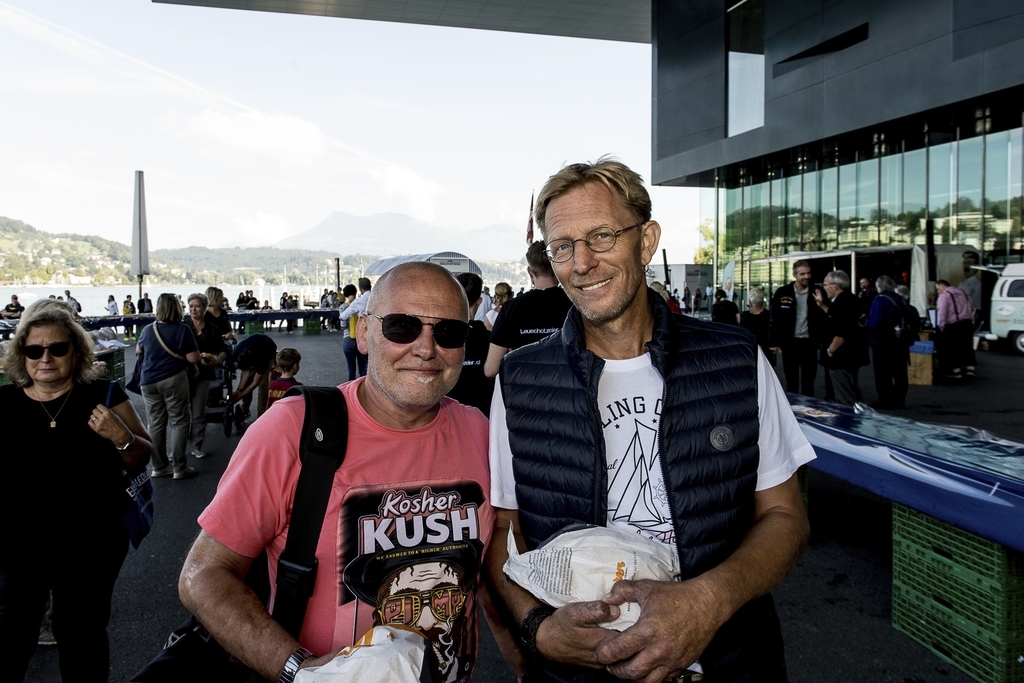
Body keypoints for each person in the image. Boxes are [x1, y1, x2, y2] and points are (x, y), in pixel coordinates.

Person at [487, 158, 813, 682]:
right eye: (562, 246)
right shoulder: (521, 378)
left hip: (731, 662)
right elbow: (502, 531)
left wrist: (708, 601)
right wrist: (538, 630)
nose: (582, 262)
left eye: (601, 236)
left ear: (646, 240)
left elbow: (786, 517)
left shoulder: (734, 359)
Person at [178, 261, 494, 682]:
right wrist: (300, 670)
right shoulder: (292, 429)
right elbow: (204, 575)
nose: (426, 348)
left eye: (449, 332)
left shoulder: (480, 432)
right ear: (364, 333)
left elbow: (492, 574)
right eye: (402, 326)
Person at [1, 299, 152, 682]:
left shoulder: (103, 394)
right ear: (22, 354)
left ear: (76, 351)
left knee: (80, 635)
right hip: (17, 543)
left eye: (58, 348)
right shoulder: (4, 405)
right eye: (34, 350)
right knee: (11, 633)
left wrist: (120, 437)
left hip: (90, 543)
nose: (45, 358)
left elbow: (141, 453)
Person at [484, 240, 573, 378]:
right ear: (557, 267)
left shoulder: (510, 308)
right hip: (569, 388)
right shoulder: (575, 304)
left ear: (530, 271)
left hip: (524, 391)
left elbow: (491, 369)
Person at [136, 293, 201, 479]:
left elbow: (138, 350)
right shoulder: (182, 330)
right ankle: (179, 467)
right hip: (173, 379)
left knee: (155, 424)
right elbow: (193, 358)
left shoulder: (149, 329)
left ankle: (158, 466)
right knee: (178, 421)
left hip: (148, 381)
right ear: (177, 308)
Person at [769, 260, 826, 397]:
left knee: (808, 382)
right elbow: (774, 318)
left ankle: (808, 411)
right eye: (802, 274)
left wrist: (822, 303)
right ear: (794, 275)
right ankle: (792, 413)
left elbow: (825, 317)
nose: (807, 276)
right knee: (791, 382)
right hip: (790, 344)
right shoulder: (783, 292)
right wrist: (774, 342)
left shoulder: (817, 292)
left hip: (809, 344)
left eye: (808, 273)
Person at [814, 270, 868, 406]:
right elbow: (838, 316)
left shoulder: (842, 302)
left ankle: (847, 423)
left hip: (842, 357)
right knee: (852, 388)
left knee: (844, 395)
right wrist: (822, 305)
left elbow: (842, 331)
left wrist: (830, 350)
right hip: (853, 355)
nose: (824, 288)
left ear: (835, 286)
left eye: (826, 285)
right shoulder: (852, 299)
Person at [186, 293, 230, 459]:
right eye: (191, 306)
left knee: (198, 413)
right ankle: (178, 449)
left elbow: (223, 350)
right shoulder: (183, 326)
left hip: (204, 374)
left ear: (204, 308)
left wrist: (217, 360)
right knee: (181, 414)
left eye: (197, 306)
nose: (193, 309)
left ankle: (197, 447)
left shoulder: (212, 328)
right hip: (184, 374)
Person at [448, 272, 495, 414]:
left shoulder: (443, 337)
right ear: (479, 301)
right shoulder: (489, 339)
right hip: (483, 412)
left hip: (448, 411)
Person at [866, 276, 913, 409]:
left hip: (884, 342)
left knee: (883, 372)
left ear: (879, 287)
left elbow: (874, 322)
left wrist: (870, 338)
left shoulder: (880, 300)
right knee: (900, 372)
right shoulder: (901, 300)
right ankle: (899, 399)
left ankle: (885, 399)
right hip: (901, 342)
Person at [230, 332, 278, 418]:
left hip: (269, 349)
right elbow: (245, 372)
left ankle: (261, 414)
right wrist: (239, 390)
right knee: (247, 381)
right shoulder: (236, 354)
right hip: (253, 346)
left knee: (262, 384)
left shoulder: (261, 360)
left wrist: (240, 395)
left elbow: (255, 382)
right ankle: (245, 409)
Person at [935, 279, 977, 379]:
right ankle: (970, 369)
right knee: (967, 346)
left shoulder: (944, 295)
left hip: (954, 324)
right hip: (967, 323)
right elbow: (969, 306)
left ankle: (956, 371)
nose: (938, 291)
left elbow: (942, 313)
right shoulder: (963, 292)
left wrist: (941, 326)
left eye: (938, 289)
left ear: (942, 287)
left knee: (953, 348)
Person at [339, 278, 372, 378]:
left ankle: (350, 391)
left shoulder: (358, 301)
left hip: (354, 337)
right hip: (371, 337)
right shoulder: (378, 298)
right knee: (365, 368)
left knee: (351, 369)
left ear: (361, 288)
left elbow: (343, 316)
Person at [740, 287, 773, 363]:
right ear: (762, 302)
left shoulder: (745, 316)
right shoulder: (768, 315)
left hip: (749, 350)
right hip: (765, 350)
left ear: (750, 302)